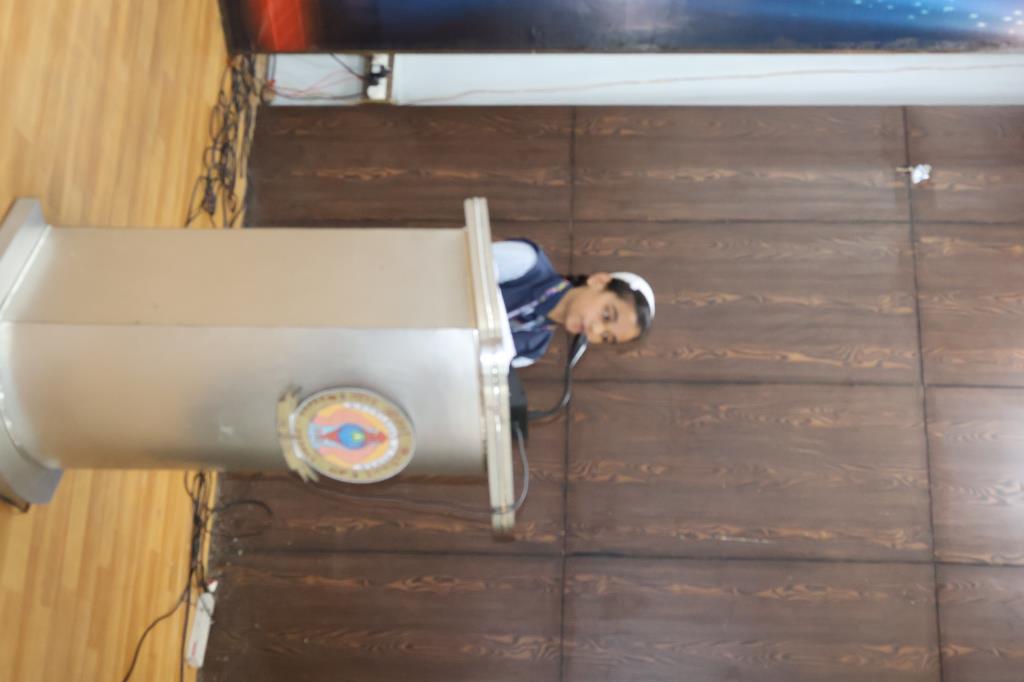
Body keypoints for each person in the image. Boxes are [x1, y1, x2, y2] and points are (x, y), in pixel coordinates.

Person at [493, 238, 655, 369]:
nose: (595, 330)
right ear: (598, 281)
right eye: (606, 315)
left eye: (605, 337)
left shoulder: (533, 350)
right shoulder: (527, 263)